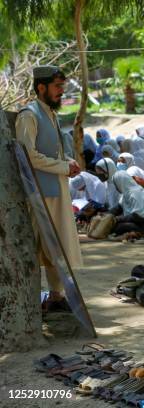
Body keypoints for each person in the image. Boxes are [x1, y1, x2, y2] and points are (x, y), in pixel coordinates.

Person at [16, 65, 82, 311]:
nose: (60, 92)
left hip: (55, 190)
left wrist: (68, 163)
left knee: (56, 247)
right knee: (41, 248)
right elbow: (27, 156)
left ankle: (57, 295)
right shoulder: (29, 115)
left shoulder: (50, 113)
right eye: (57, 87)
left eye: (62, 87)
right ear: (41, 87)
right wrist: (63, 167)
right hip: (39, 193)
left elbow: (53, 152)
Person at [110, 171, 144, 237]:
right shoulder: (126, 193)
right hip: (135, 223)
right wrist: (106, 215)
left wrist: (117, 219)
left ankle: (141, 233)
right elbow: (117, 208)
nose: (116, 188)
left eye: (116, 184)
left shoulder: (136, 192)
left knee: (117, 227)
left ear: (120, 182)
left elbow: (138, 216)